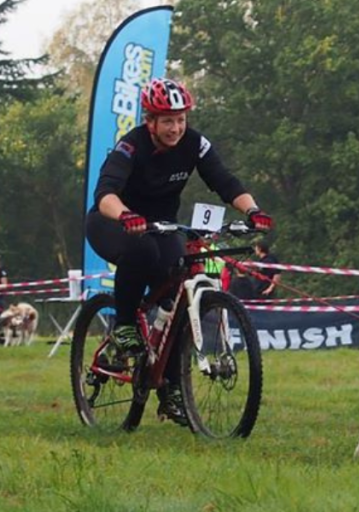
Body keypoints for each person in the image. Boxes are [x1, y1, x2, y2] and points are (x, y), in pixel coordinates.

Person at [85, 77, 273, 425]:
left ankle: (170, 387)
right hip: (113, 221)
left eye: (181, 119)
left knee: (177, 293)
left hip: (164, 224)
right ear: (150, 121)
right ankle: (125, 325)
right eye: (168, 121)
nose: (176, 128)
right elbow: (105, 192)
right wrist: (126, 214)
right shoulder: (131, 146)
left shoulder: (195, 143)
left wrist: (252, 211)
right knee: (141, 252)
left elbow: (224, 180)